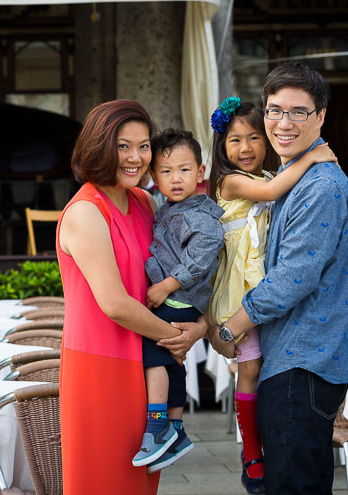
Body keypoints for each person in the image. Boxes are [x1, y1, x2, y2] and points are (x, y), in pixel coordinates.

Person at [213, 62, 348, 494]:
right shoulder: (283, 178)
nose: (284, 123)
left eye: (298, 112)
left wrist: (230, 327)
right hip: (287, 360)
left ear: (321, 117)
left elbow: (293, 277)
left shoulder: (319, 186)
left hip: (301, 364)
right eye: (275, 111)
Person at [56, 100, 206, 494]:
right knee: (103, 479)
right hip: (101, 367)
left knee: (141, 482)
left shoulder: (144, 201)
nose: (136, 157)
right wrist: (175, 337)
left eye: (144, 146)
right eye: (124, 146)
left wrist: (200, 325)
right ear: (99, 146)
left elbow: (177, 273)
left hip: (148, 365)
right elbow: (115, 304)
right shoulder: (85, 212)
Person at [133, 128, 223, 472]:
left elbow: (201, 259)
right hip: (178, 296)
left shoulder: (199, 215)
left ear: (200, 172)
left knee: (153, 353)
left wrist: (164, 287)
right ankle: (177, 429)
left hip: (181, 297)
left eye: (185, 170)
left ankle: (156, 428)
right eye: (166, 171)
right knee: (173, 359)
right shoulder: (168, 208)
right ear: (154, 175)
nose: (176, 178)